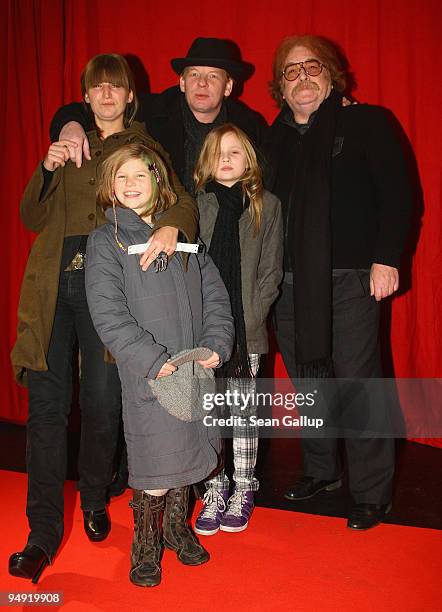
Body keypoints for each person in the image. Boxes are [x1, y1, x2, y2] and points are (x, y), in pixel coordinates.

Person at [9, 53, 198, 583]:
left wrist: (169, 230)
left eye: (117, 87)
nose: (108, 95)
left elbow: (182, 202)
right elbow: (30, 216)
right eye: (99, 88)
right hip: (51, 288)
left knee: (99, 401)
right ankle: (40, 534)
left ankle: (94, 497)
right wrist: (47, 166)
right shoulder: (70, 141)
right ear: (86, 97)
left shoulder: (143, 148)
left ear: (130, 96)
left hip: (108, 289)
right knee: (47, 410)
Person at [265, 35, 412, 530]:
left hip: (351, 276)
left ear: (331, 74)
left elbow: (399, 193)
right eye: (291, 71)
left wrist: (386, 258)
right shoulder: (274, 138)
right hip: (287, 282)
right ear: (280, 88)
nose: (302, 77)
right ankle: (322, 472)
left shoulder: (368, 122)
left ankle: (372, 491)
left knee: (357, 382)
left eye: (312, 67)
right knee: (309, 382)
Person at [85, 142, 234, 587]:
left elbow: (216, 298)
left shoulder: (185, 238)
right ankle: (145, 544)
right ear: (110, 187)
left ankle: (175, 528)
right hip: (150, 371)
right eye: (121, 177)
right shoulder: (106, 241)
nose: (130, 184)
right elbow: (108, 314)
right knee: (156, 461)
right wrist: (152, 360)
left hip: (194, 367)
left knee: (192, 450)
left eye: (139, 175)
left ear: (158, 181)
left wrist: (215, 344)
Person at [193, 123, 283, 534]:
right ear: (205, 163)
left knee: (243, 413)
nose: (225, 159)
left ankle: (244, 485)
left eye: (234, 151)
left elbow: (271, 271)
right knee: (210, 414)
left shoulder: (268, 205)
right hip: (205, 329)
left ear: (248, 160)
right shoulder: (195, 205)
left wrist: (252, 315)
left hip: (246, 328)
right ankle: (214, 488)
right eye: (218, 153)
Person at [50, 37, 266, 194]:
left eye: (213, 76)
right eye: (194, 74)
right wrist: (70, 125)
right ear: (182, 82)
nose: (202, 83)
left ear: (228, 86)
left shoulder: (249, 126)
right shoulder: (153, 110)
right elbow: (95, 107)